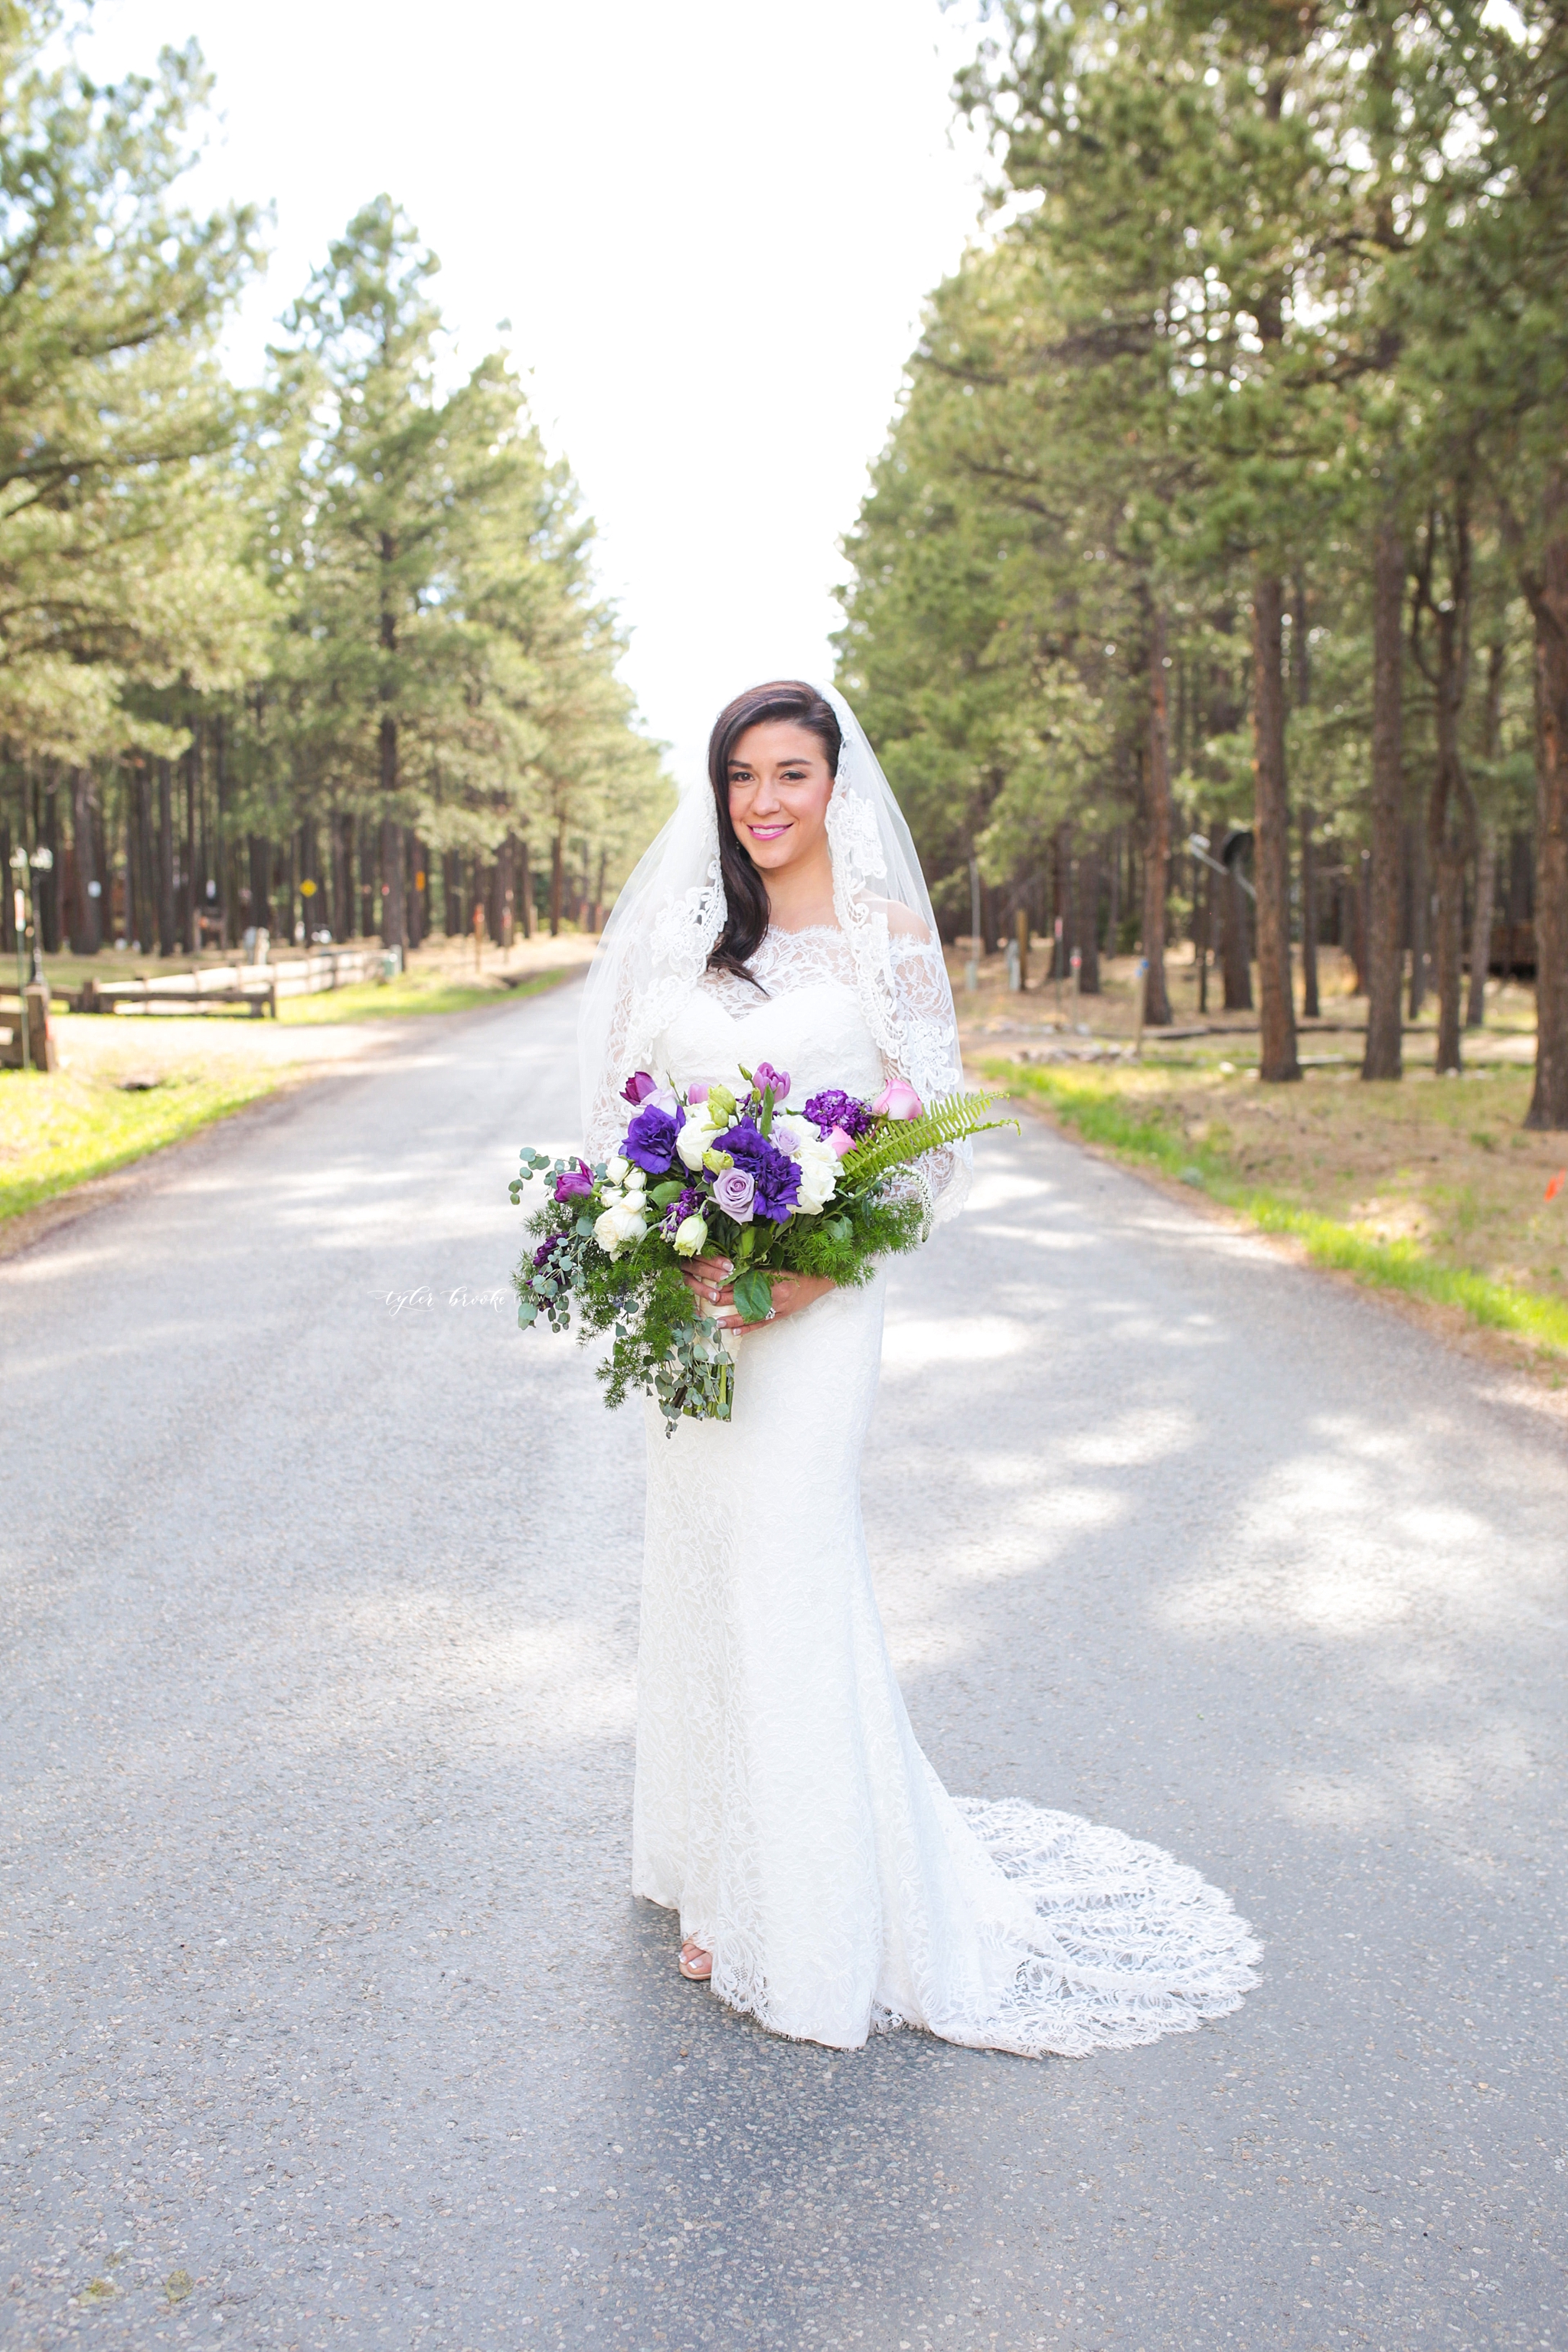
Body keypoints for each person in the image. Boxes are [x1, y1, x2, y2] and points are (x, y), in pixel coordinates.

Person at [578, 679, 1259, 2055]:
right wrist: (672, 1254)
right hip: (699, 1314)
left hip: (821, 1315)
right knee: (706, 1565)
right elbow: (619, 1124)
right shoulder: (687, 944)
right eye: (741, 779)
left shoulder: (886, 942)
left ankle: (812, 1909)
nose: (765, 803)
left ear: (837, 786)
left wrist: (796, 1277)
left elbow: (930, 1148)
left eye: (791, 774)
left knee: (787, 1562)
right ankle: (722, 1866)